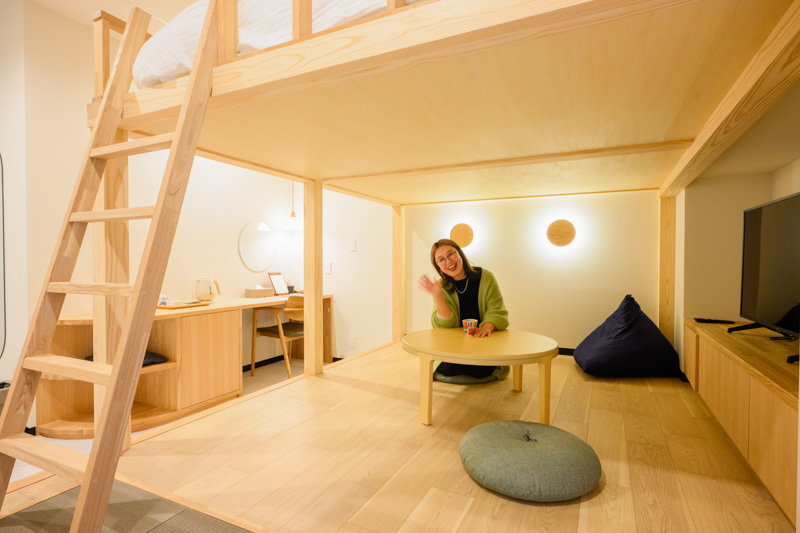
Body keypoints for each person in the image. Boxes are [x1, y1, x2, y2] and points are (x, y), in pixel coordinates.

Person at [418, 239, 509, 379]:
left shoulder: (486, 277)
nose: (448, 261)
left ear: (460, 253)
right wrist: (438, 296)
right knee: (449, 368)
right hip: (455, 346)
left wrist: (487, 327)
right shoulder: (441, 286)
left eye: (451, 254)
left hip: (482, 343)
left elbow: (497, 311)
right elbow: (445, 325)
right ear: (438, 266)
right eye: (441, 259)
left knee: (480, 369)